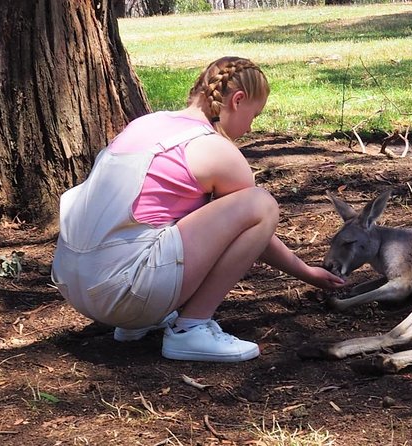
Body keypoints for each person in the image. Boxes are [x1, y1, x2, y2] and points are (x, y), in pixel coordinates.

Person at [51, 56, 345, 363]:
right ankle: (191, 329)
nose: (249, 127)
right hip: (125, 294)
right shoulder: (218, 151)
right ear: (237, 100)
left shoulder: (146, 123)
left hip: (74, 284)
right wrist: (306, 272)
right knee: (262, 204)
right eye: (254, 116)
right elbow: (255, 229)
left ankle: (139, 322)